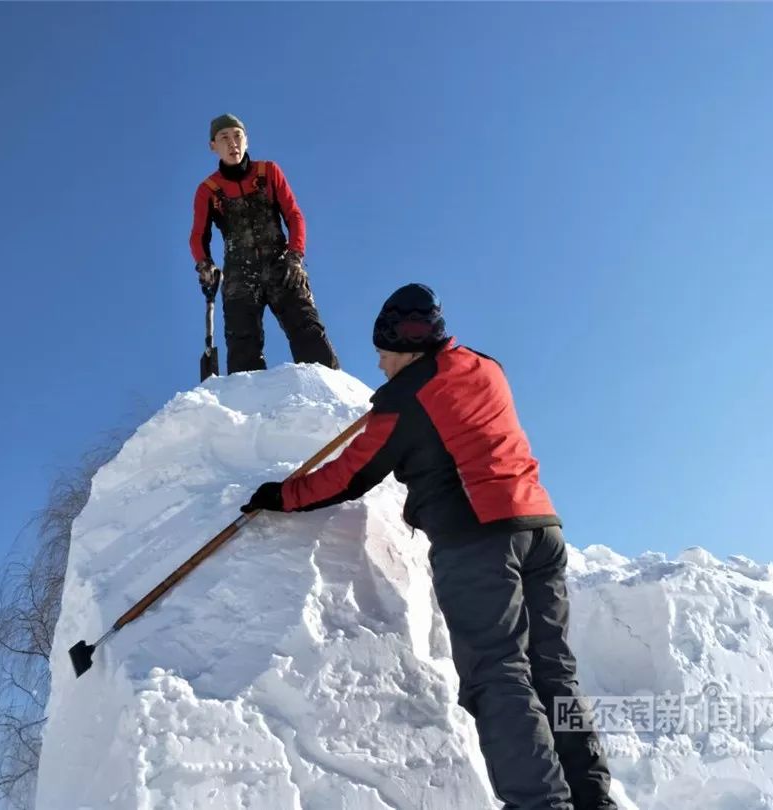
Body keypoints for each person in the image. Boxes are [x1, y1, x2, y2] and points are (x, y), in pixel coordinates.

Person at [240, 283, 618, 810]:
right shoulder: (485, 367)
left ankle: (540, 804)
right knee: (553, 670)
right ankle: (594, 798)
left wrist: (282, 495)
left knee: (499, 673)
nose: (381, 368)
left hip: (478, 538)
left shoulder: (404, 399)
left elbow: (350, 476)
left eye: (383, 358)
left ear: (401, 348)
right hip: (541, 528)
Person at [190, 113, 340, 374]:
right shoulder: (209, 190)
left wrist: (295, 255)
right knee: (242, 344)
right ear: (213, 145)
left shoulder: (268, 171)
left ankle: (328, 394)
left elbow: (293, 215)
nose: (232, 143)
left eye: (237, 136)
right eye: (224, 138)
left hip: (281, 265)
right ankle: (246, 407)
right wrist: (205, 264)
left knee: (307, 329)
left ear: (246, 140)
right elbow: (198, 235)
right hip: (239, 273)